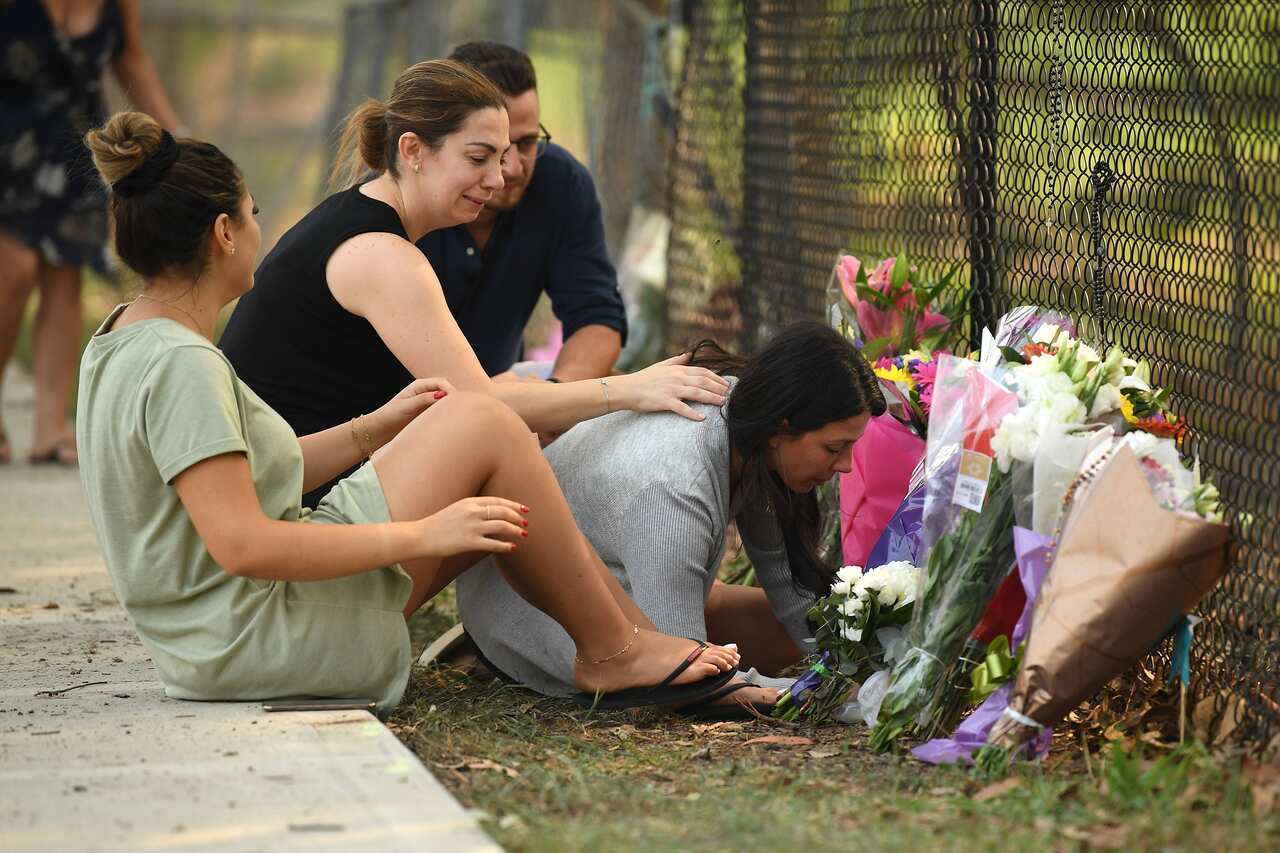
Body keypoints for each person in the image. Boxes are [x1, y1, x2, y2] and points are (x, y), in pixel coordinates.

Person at [76, 110, 741, 718]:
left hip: (217, 638)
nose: (259, 227)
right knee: (486, 423)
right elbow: (245, 543)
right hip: (259, 637)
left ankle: (632, 645)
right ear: (224, 234)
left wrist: (376, 425)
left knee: (478, 424)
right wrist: (423, 535)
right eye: (252, 212)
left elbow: (235, 478)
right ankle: (620, 650)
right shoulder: (183, 365)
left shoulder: (121, 343)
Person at [219, 59, 728, 507]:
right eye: (478, 158)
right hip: (287, 504)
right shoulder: (384, 255)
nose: (500, 177)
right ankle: (607, 619)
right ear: (414, 150)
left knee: (511, 403)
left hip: (292, 480)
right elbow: (481, 405)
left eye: (506, 155)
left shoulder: (366, 218)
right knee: (498, 440)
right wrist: (630, 389)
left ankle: (601, 613)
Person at [457, 322, 887, 715]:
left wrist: (854, 669)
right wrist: (809, 696)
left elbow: (789, 587)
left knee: (786, 631)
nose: (847, 466)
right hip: (521, 620)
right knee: (704, 672)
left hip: (570, 582)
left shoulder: (743, 415)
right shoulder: (675, 487)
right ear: (782, 426)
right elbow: (681, 675)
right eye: (833, 448)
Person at [0, 0, 182, 465]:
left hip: (74, 149)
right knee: (14, 272)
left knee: (66, 278)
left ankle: (49, 427)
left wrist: (178, 139)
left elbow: (132, 62)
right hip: (8, 146)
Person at [418, 41, 624, 381]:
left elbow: (596, 316)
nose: (511, 168)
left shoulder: (562, 182)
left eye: (527, 143)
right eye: (486, 151)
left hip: (503, 403)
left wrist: (554, 399)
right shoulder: (397, 201)